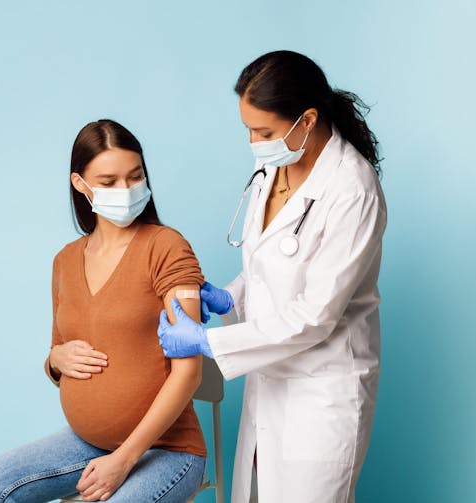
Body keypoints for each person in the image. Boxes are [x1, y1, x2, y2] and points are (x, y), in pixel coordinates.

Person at [158, 50, 387, 502]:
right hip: (270, 382)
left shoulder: (352, 190)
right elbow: (267, 270)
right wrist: (230, 298)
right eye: (248, 130)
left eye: (264, 131)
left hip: (322, 391)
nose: (255, 143)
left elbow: (316, 314)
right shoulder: (271, 169)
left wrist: (208, 343)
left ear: (307, 119)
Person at [0, 119, 207, 503]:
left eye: (134, 177)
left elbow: (189, 372)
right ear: (80, 184)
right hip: (87, 445)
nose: (126, 191)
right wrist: (55, 359)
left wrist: (124, 460)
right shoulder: (65, 261)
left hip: (167, 450)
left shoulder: (167, 247)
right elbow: (58, 352)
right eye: (109, 182)